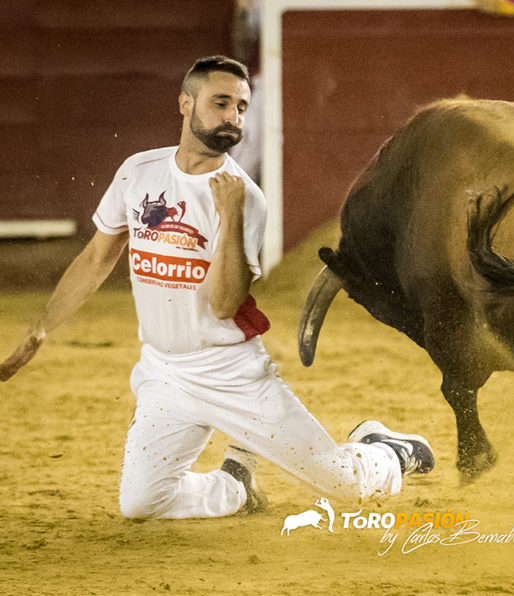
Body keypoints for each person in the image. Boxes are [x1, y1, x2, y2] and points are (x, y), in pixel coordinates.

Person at [0, 55, 434, 519]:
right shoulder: (138, 172)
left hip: (231, 372)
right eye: (221, 102)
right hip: (164, 372)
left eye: (242, 108)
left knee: (344, 487)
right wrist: (40, 328)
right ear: (186, 103)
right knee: (141, 504)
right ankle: (236, 486)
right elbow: (96, 257)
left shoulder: (245, 196)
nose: (233, 116)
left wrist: (231, 216)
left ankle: (386, 451)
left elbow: (226, 304)